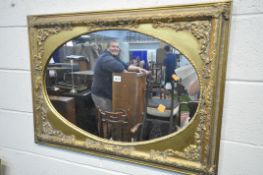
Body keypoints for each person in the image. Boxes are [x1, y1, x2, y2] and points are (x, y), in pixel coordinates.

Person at [91, 40, 150, 111]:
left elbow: (126, 66)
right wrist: (135, 77)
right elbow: (120, 68)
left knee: (111, 113)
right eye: (113, 46)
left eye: (117, 47)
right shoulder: (105, 58)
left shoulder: (114, 57)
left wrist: (139, 69)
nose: (116, 48)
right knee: (107, 116)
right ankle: (106, 122)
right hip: (101, 96)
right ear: (107, 48)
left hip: (107, 93)